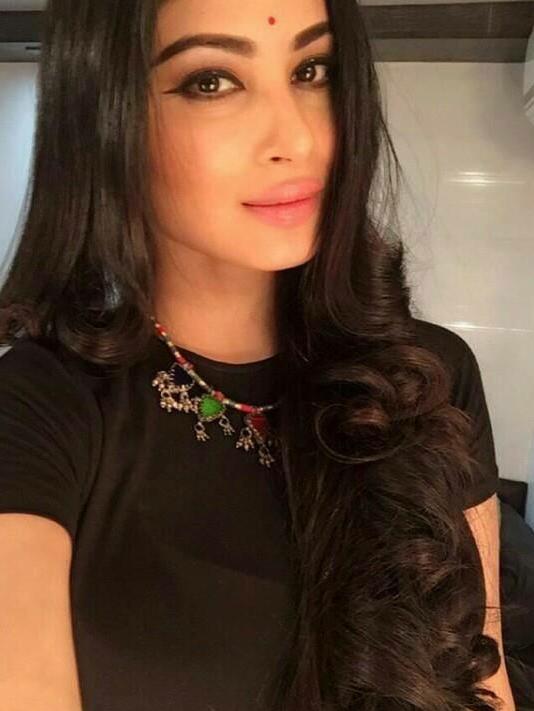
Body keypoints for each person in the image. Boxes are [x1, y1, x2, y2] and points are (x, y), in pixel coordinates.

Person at [0, 0, 516, 709]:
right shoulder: (39, 407)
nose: (297, 137)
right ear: (104, 116)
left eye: (311, 70)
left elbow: (485, 679)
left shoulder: (428, 375)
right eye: (212, 81)